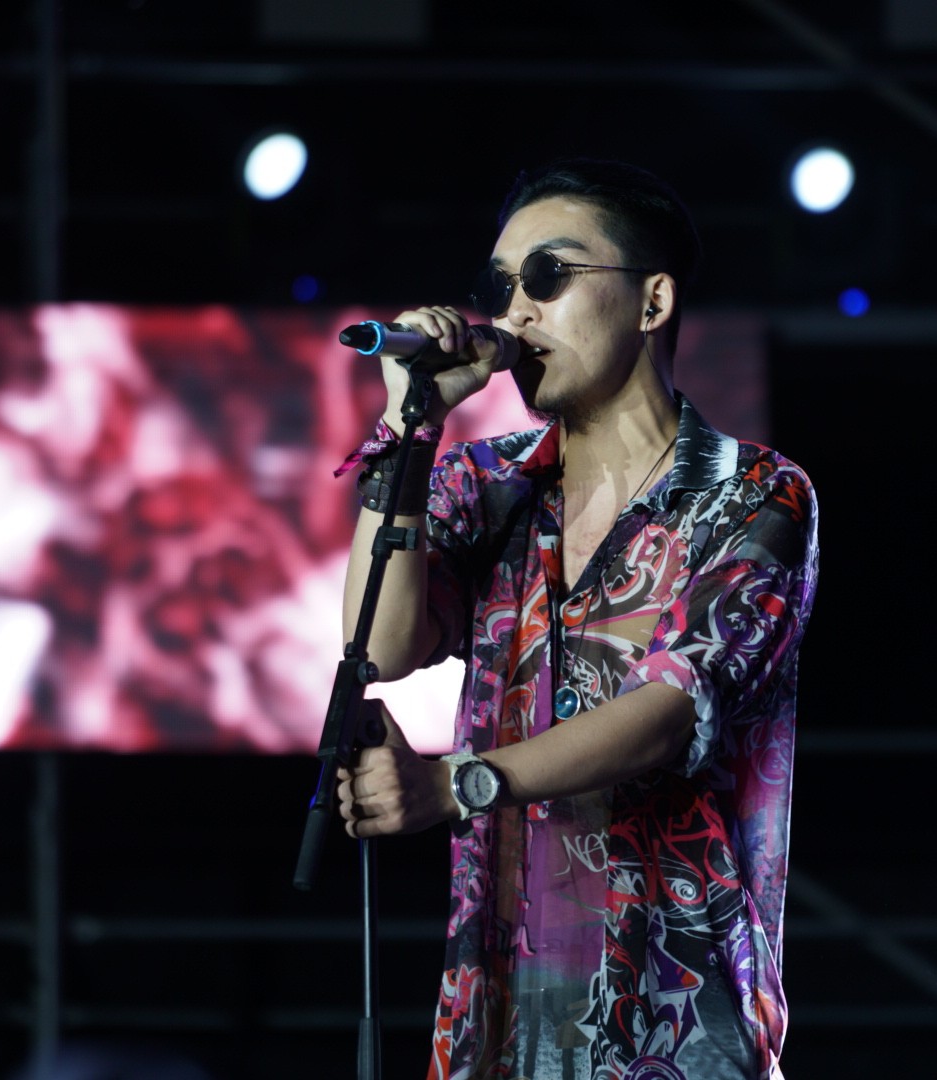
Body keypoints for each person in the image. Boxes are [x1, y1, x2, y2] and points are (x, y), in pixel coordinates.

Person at [334, 158, 819, 1080]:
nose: (516, 312)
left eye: (548, 276)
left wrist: (456, 785)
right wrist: (411, 431)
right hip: (501, 1019)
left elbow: (670, 711)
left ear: (652, 301)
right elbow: (382, 645)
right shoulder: (484, 484)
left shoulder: (753, 493)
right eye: (502, 287)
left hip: (679, 1018)